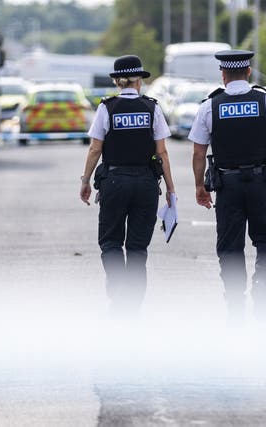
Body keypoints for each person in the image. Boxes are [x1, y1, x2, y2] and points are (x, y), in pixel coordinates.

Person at [188, 50, 266, 322]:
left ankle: (234, 300)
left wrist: (198, 186)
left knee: (230, 246)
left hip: (227, 186)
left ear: (223, 74)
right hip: (262, 184)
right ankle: (262, 287)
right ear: (248, 71)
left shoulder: (209, 106)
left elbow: (197, 152)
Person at [80, 54, 175, 316]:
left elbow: (95, 148)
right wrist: (171, 189)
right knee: (137, 247)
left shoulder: (106, 108)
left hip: (114, 181)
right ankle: (132, 302)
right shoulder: (152, 108)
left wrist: (86, 180)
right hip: (146, 183)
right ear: (138, 82)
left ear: (117, 82)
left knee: (110, 242)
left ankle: (118, 288)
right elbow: (162, 153)